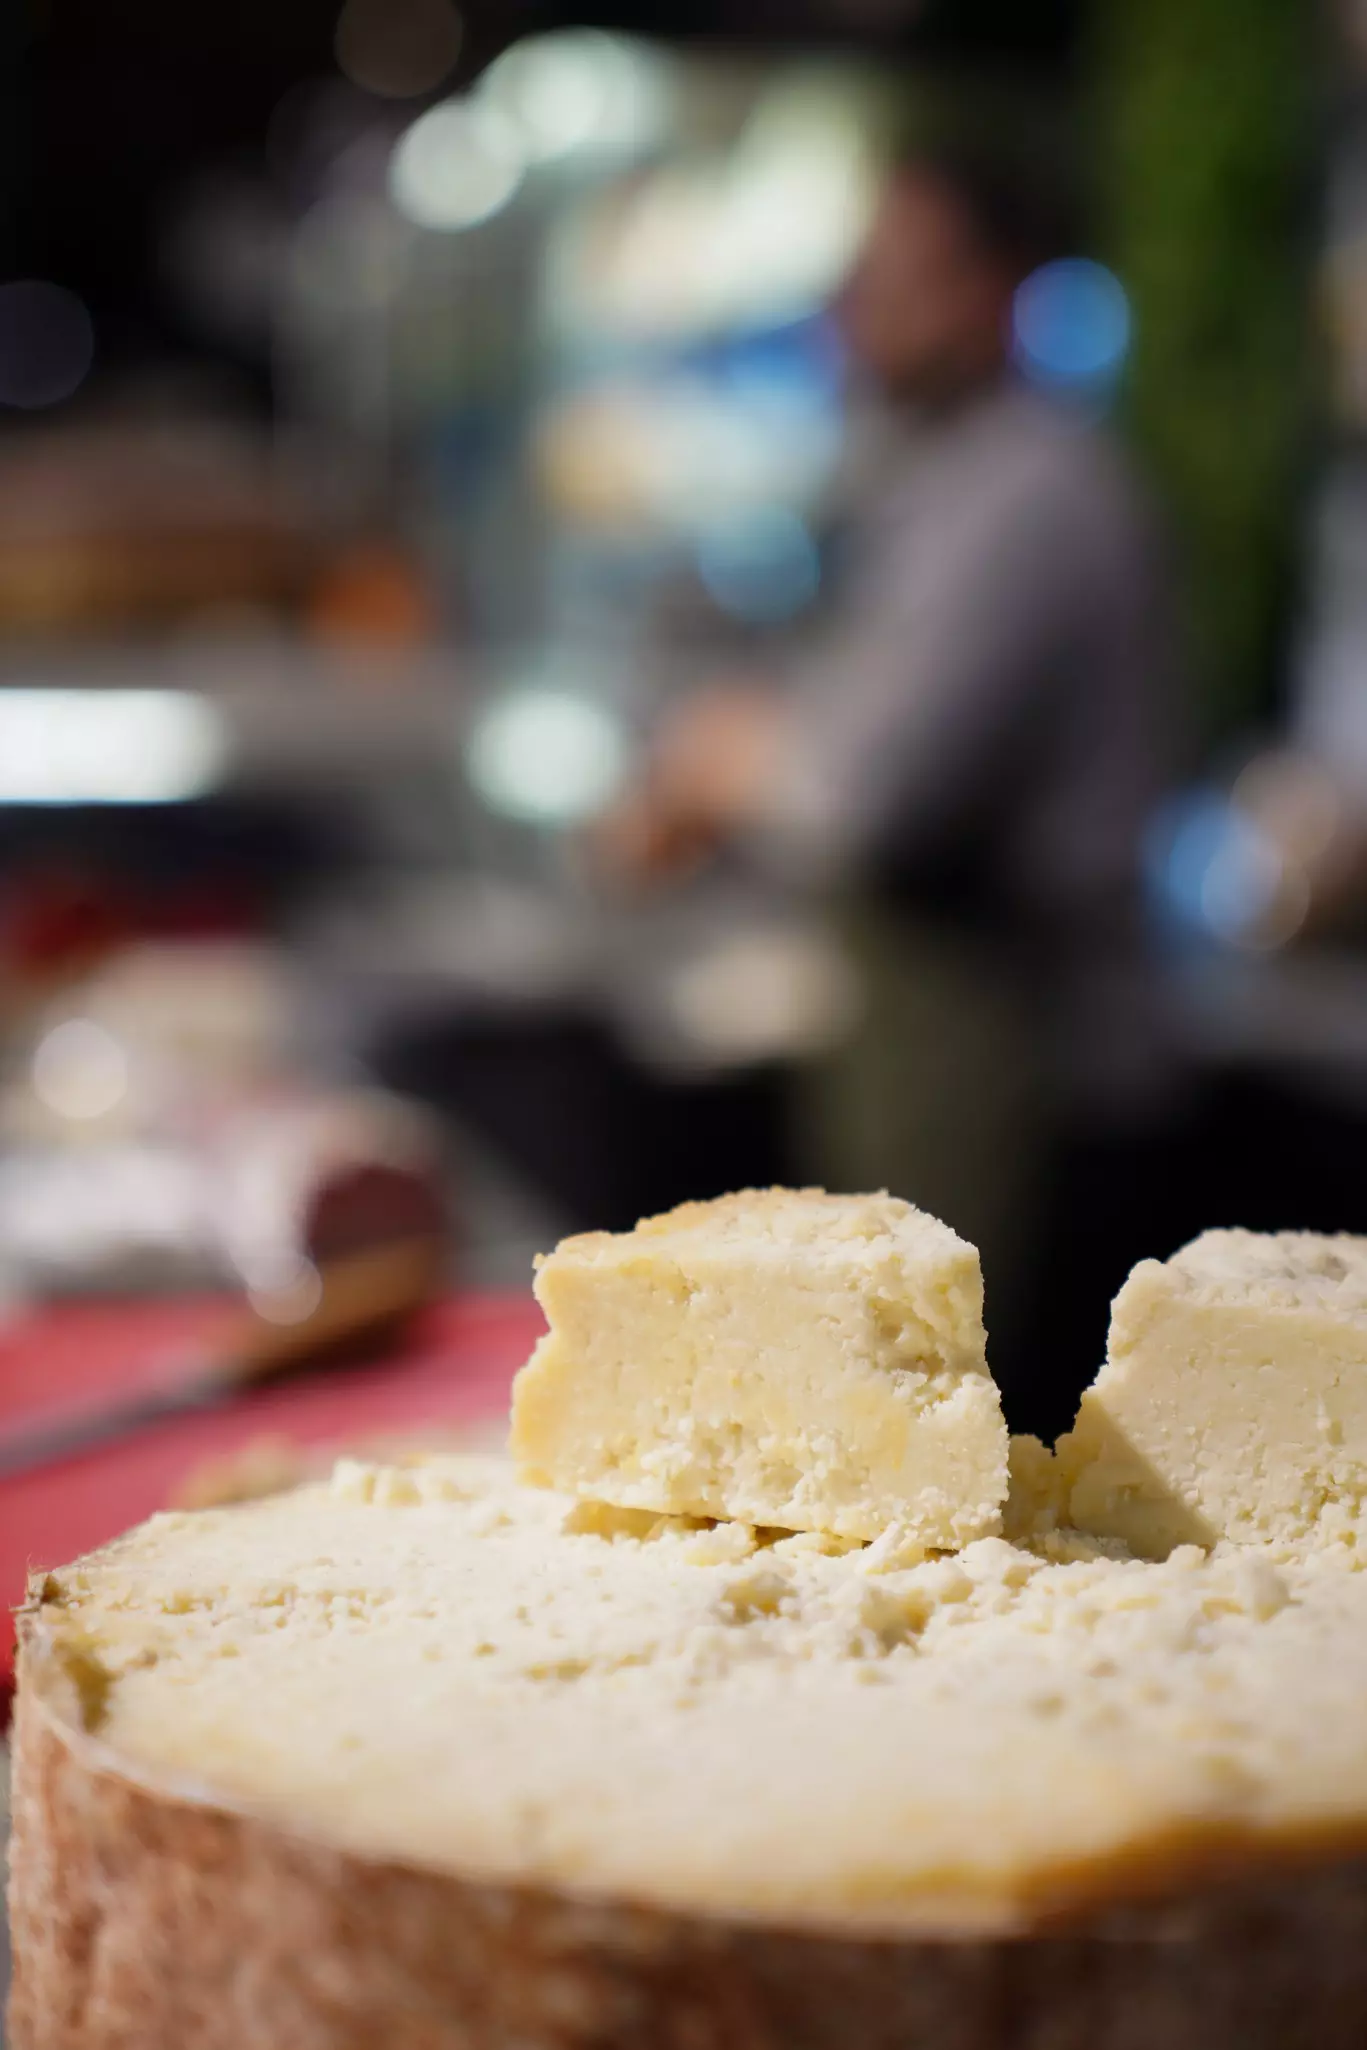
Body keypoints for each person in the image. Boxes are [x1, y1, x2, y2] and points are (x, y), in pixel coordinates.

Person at [600, 142, 1184, 1429]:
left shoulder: (1029, 494)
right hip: (941, 1042)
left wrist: (716, 758)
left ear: (992, 287)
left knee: (982, 1460)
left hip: (1035, 1076)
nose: (860, 306)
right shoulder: (936, 478)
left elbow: (872, 790)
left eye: (899, 274)